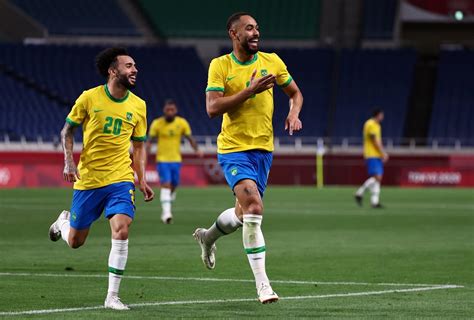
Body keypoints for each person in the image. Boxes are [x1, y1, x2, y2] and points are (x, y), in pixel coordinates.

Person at [193, 12, 303, 304]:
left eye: (257, 29)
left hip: (263, 150)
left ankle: (208, 237)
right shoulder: (221, 66)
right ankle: (263, 285)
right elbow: (212, 108)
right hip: (233, 149)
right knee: (254, 206)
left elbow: (295, 93)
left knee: (244, 215)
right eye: (249, 29)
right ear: (233, 33)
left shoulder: (272, 61)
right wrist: (249, 91)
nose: (256, 33)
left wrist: (293, 112)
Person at [48, 47, 154, 310]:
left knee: (121, 228)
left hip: (120, 177)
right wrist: (69, 160)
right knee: (75, 242)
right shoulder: (89, 98)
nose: (134, 69)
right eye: (128, 65)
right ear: (112, 70)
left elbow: (139, 146)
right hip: (89, 179)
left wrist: (141, 178)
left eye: (135, 65)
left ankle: (112, 296)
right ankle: (63, 223)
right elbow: (67, 130)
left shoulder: (139, 105)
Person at [147, 99, 203, 224]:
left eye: (172, 110)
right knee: (166, 184)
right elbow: (150, 140)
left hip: (176, 160)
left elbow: (189, 138)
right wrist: (146, 151)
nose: (170, 112)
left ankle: (168, 204)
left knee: (174, 185)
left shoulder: (182, 123)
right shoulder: (157, 123)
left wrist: (197, 150)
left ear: (175, 110)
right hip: (162, 160)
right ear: (164, 110)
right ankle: (166, 213)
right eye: (168, 110)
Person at [355, 109, 388, 208]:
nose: (383, 117)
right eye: (381, 115)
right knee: (377, 177)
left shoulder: (377, 125)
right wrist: (383, 153)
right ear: (377, 115)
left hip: (376, 154)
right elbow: (374, 140)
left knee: (378, 178)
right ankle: (359, 193)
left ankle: (375, 202)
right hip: (371, 154)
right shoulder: (370, 124)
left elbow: (378, 140)